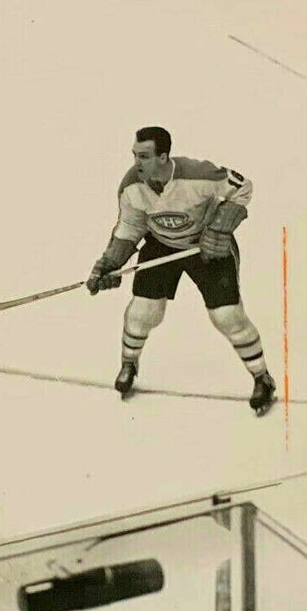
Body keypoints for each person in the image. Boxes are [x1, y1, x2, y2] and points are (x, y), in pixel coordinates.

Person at [86, 127, 277, 415]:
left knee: (227, 316)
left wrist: (220, 227)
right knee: (143, 313)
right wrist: (111, 262)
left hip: (204, 246)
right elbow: (130, 226)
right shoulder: (131, 186)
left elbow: (242, 187)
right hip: (161, 245)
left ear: (163, 157)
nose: (138, 162)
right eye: (135, 155)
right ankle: (128, 364)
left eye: (145, 156)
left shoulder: (197, 174)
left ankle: (263, 378)